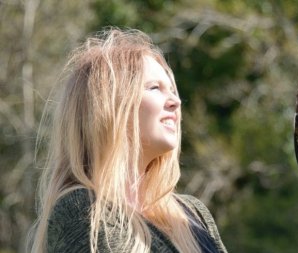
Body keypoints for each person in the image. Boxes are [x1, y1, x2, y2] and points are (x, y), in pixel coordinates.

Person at [28, 27, 228, 253]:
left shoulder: (193, 214)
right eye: (155, 88)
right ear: (109, 107)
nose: (175, 101)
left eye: (172, 90)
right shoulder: (81, 210)